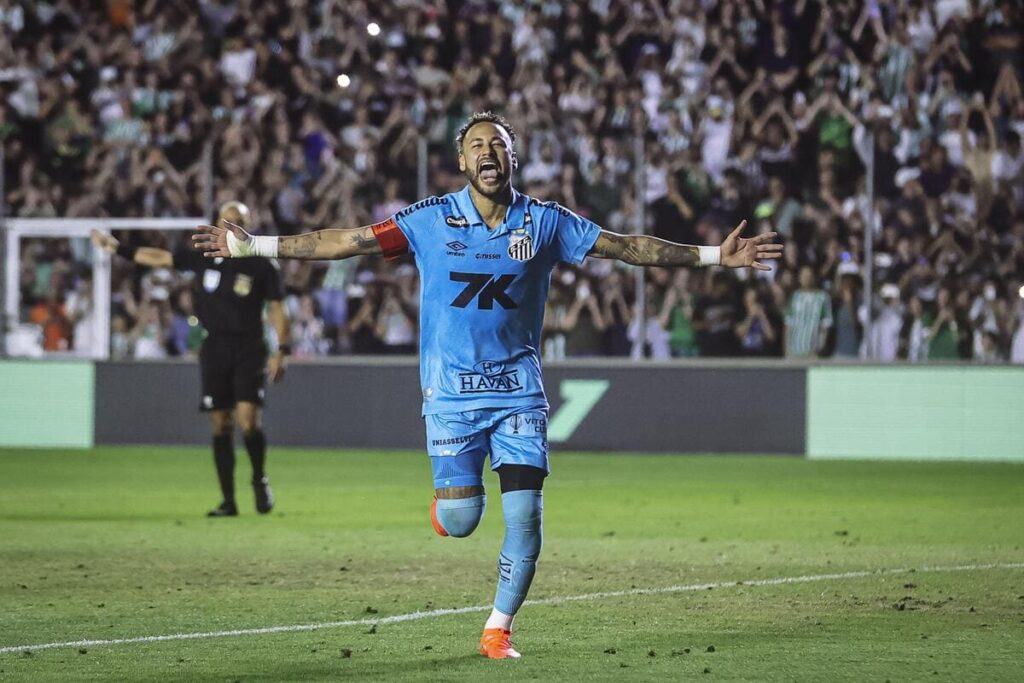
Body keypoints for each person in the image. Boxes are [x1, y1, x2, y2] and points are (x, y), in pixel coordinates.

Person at [192, 112, 782, 659]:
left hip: (518, 393)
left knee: (525, 517)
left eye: (498, 143)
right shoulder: (430, 220)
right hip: (449, 395)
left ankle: (497, 628)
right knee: (461, 521)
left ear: (514, 158)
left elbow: (628, 248)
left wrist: (712, 256)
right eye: (477, 145)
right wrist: (255, 243)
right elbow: (345, 241)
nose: (488, 151)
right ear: (462, 163)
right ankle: (449, 509)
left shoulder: (546, 222)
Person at [92, 202, 291, 517]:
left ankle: (258, 478)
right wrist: (118, 249)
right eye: (225, 220)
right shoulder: (204, 257)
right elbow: (160, 258)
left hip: (250, 347)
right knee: (220, 423)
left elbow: (278, 308)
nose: (230, 225)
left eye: (238, 220)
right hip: (215, 349)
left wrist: (283, 349)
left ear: (248, 225)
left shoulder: (261, 265)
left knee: (248, 419)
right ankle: (228, 500)